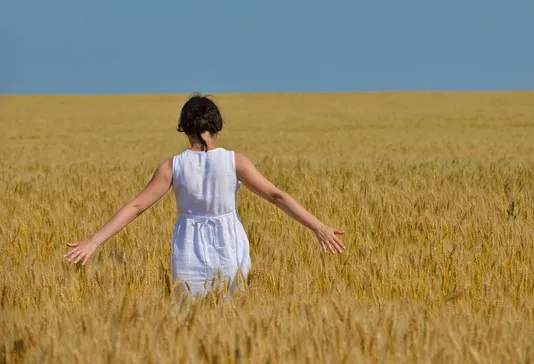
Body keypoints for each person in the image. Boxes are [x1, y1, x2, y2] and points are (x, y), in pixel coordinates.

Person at [63, 93, 346, 298]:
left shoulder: (172, 166)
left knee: (187, 321)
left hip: (188, 248)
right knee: (233, 317)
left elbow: (136, 206)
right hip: (230, 247)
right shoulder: (235, 161)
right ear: (216, 126)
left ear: (185, 128)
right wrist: (318, 227)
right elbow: (276, 195)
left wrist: (94, 241)